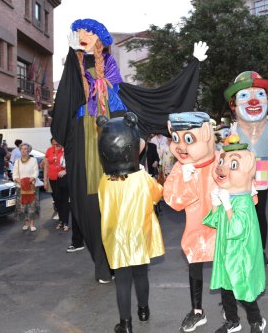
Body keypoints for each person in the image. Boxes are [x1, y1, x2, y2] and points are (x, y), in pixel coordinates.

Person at [51, 17, 207, 282]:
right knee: (87, 207)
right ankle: (103, 264)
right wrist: (71, 55)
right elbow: (68, 99)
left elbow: (157, 99)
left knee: (118, 208)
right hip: (82, 141)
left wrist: (193, 65)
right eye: (78, 31)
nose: (82, 34)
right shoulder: (73, 70)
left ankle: (124, 260)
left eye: (88, 31)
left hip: (112, 144)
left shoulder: (111, 70)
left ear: (100, 38)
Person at [97, 113, 164, 333]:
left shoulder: (104, 182)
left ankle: (125, 324)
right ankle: (143, 310)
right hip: (138, 233)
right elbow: (157, 195)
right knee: (141, 274)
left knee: (122, 281)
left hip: (116, 236)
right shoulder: (141, 178)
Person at [224, 71, 268, 266]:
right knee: (241, 214)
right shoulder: (233, 130)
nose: (253, 102)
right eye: (245, 96)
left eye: (259, 95)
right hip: (239, 180)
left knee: (259, 214)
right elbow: (225, 155)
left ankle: (260, 250)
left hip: (260, 178)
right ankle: (243, 248)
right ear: (234, 105)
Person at [163, 112, 219, 332]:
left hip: (222, 227)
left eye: (188, 139)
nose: (180, 147)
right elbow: (173, 201)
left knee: (227, 264)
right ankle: (197, 311)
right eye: (175, 139)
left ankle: (230, 308)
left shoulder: (221, 160)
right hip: (196, 229)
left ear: (206, 134)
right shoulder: (181, 168)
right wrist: (186, 180)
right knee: (195, 265)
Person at [204, 137, 266, 333]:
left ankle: (256, 321)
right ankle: (232, 321)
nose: (222, 168)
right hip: (225, 253)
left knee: (243, 289)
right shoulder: (228, 195)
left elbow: (238, 229)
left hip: (240, 255)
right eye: (221, 163)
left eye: (232, 165)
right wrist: (216, 202)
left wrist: (228, 205)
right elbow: (214, 222)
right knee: (226, 289)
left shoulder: (244, 201)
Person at [12, 143, 39, 231]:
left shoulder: (33, 160)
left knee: (32, 205)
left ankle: (32, 224)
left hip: (32, 186)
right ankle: (25, 223)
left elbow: (36, 172)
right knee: (23, 206)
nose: (23, 150)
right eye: (22, 149)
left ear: (29, 150)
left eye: (25, 149)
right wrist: (20, 181)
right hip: (20, 187)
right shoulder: (17, 161)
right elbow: (14, 174)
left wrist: (32, 178)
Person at [44, 138, 69, 231]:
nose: (55, 146)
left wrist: (66, 171)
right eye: (53, 144)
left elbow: (73, 163)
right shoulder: (49, 150)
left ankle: (65, 222)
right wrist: (45, 180)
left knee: (64, 200)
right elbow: (46, 165)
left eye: (57, 144)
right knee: (57, 200)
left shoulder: (65, 149)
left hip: (63, 179)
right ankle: (61, 221)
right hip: (52, 179)